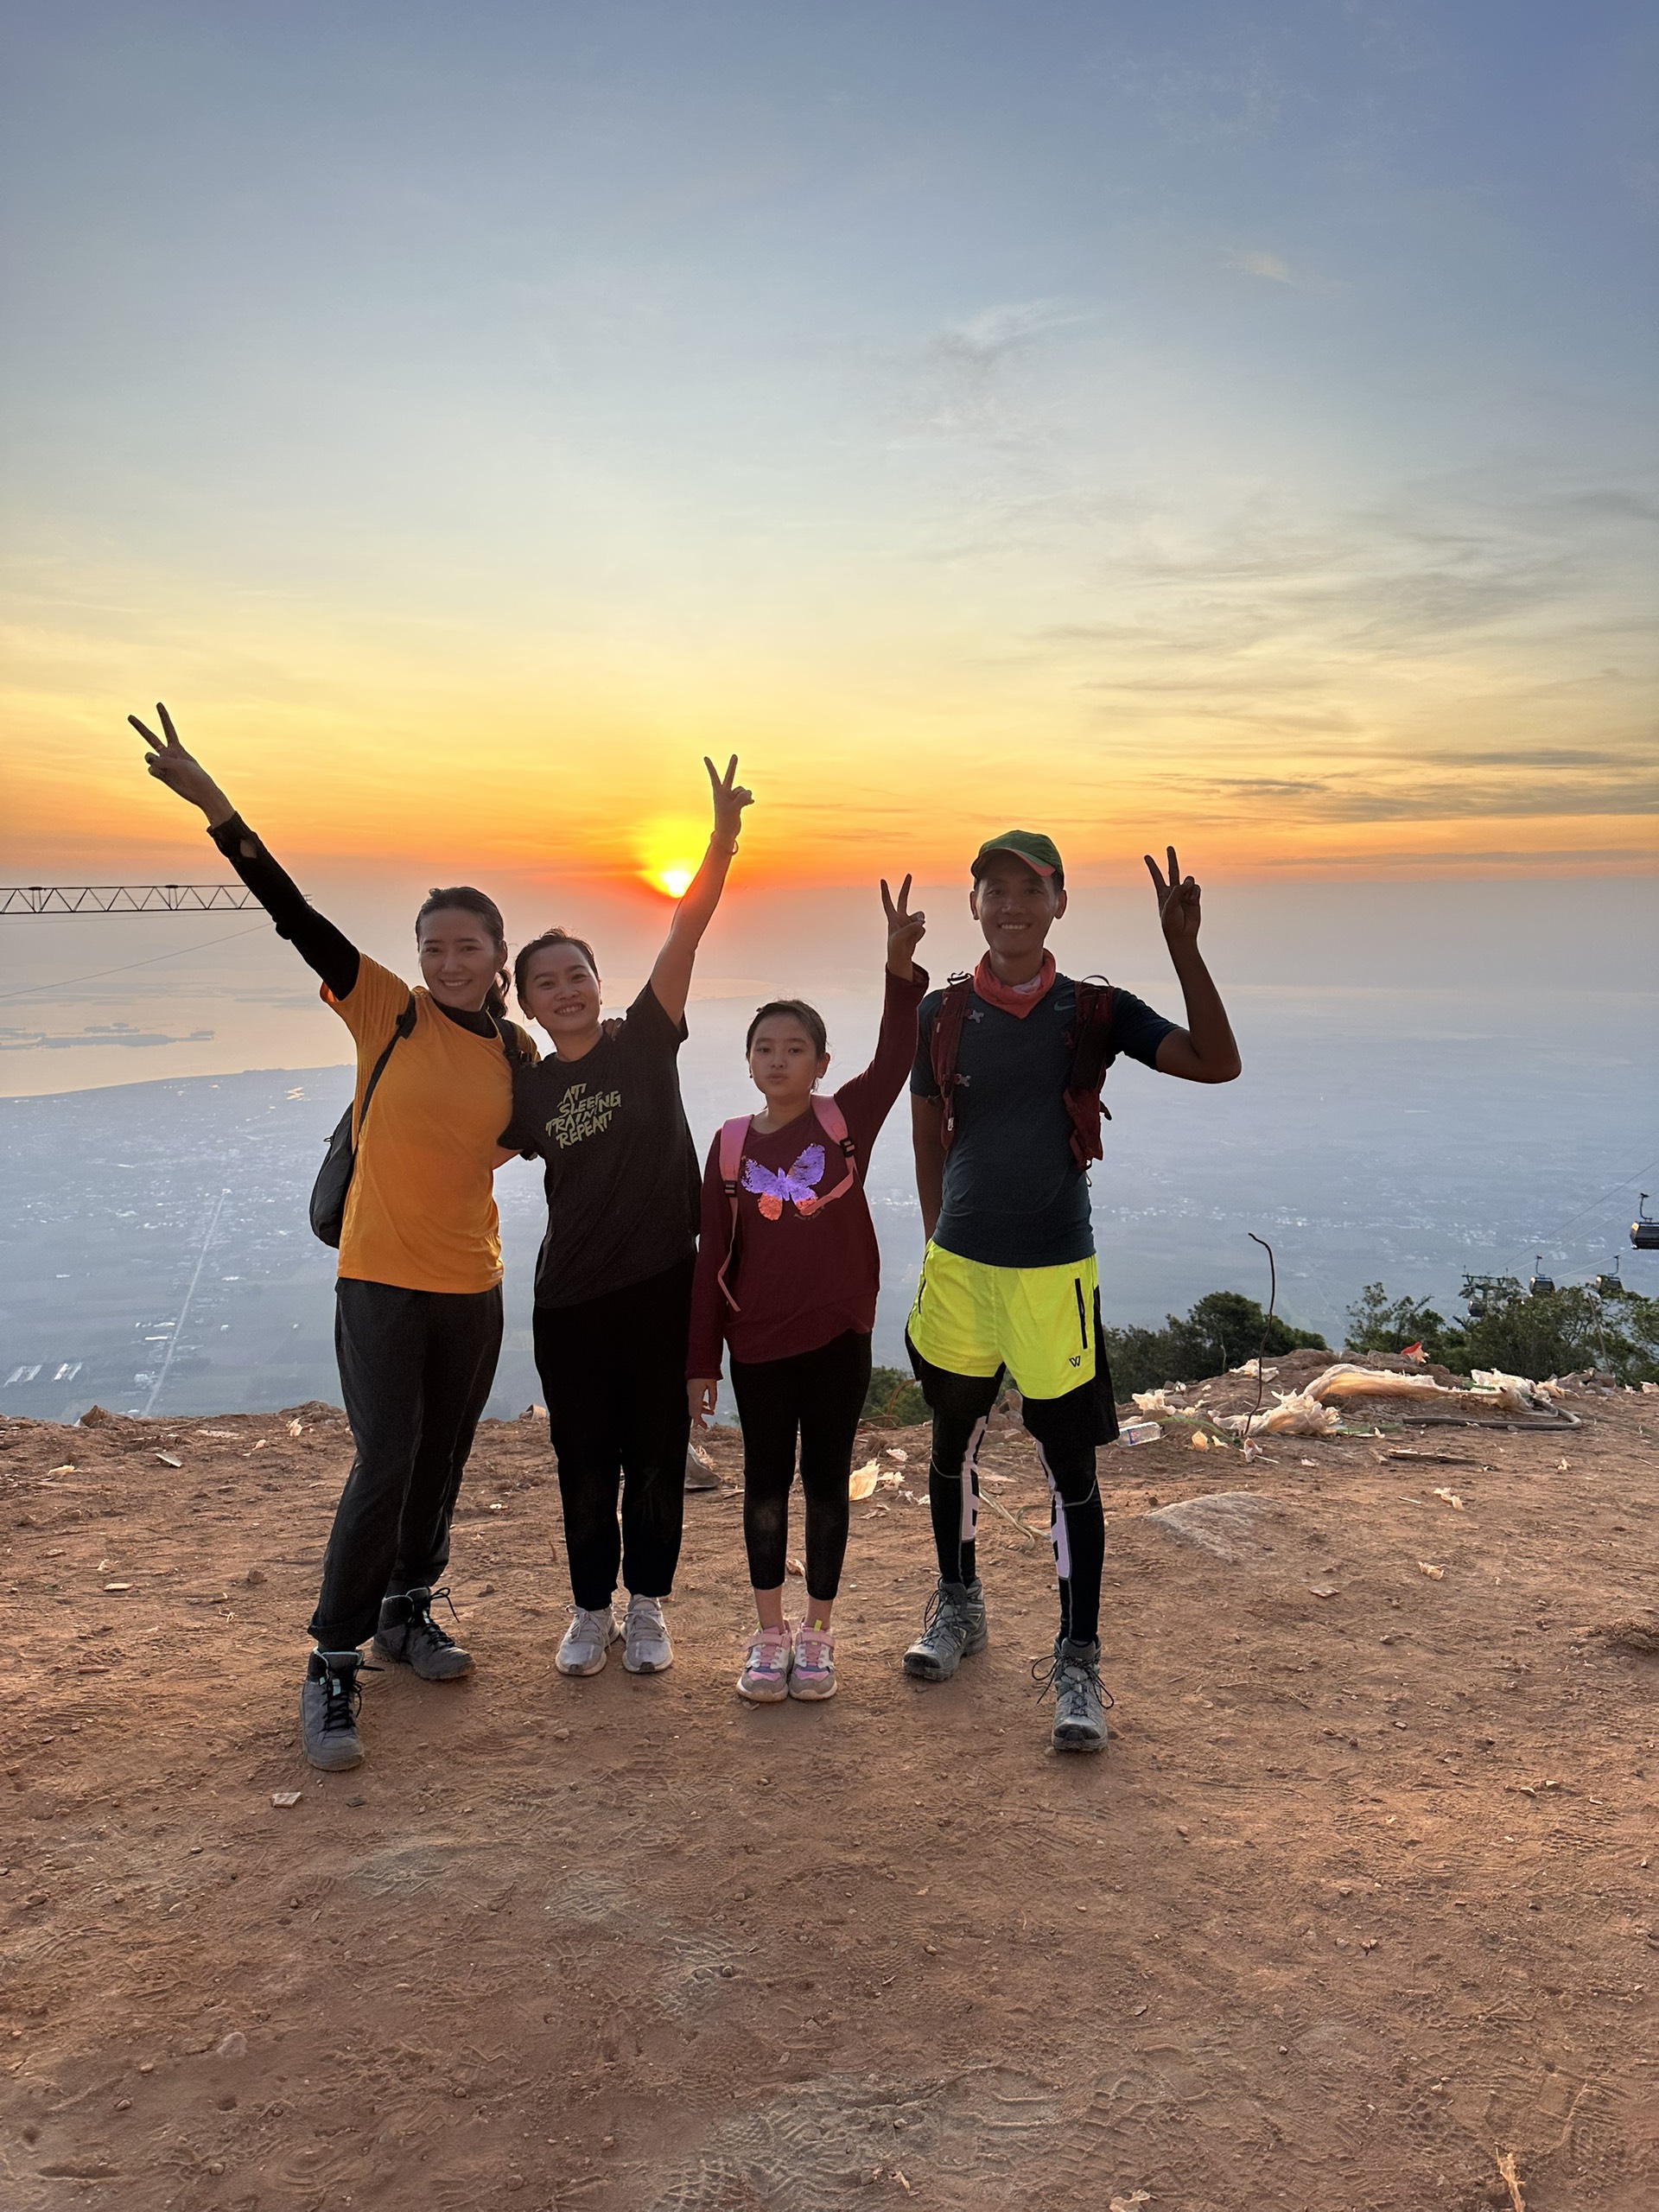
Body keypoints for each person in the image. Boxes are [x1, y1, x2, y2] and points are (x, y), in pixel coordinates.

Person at [130, 702, 538, 1772]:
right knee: (386, 1459)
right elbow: (292, 912)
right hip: (380, 1277)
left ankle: (408, 1608)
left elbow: (540, 1136)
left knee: (442, 1457)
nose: (450, 961)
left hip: (473, 1279)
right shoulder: (383, 1006)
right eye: (434, 946)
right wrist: (218, 807)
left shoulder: (516, 1049)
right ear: (417, 956)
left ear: (499, 955)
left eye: (469, 946)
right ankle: (333, 1658)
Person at [906, 832, 1240, 1752]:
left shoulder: (1094, 1010)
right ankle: (960, 1604)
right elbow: (927, 1130)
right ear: (974, 904)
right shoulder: (942, 1011)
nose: (1011, 904)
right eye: (995, 888)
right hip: (961, 1271)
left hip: (1055, 1274)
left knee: (1069, 1470)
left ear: (1058, 902)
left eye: (1031, 889)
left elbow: (1216, 1061)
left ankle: (1078, 1660)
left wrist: (1184, 950)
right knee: (951, 1444)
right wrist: (938, 1238)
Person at [499, 758, 752, 1679]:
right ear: (527, 1003)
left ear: (600, 981)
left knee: (653, 1455)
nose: (565, 989)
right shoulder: (527, 1090)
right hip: (569, 1300)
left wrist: (720, 842)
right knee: (581, 1460)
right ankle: (589, 1608)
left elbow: (685, 931)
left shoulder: (644, 1040)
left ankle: (646, 1605)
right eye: (546, 983)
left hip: (660, 1288)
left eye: (577, 974)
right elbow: (463, 1148)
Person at [687, 879, 928, 1702]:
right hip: (756, 1342)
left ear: (821, 1064)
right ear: (748, 1062)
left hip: (836, 1336)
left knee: (826, 1483)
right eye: (765, 1048)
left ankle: (818, 1633)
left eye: (795, 1048)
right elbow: (712, 1258)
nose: (779, 1060)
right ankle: (769, 1632)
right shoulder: (728, 1146)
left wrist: (898, 969)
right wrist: (701, 1361)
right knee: (763, 1485)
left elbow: (894, 1058)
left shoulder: (841, 1120)